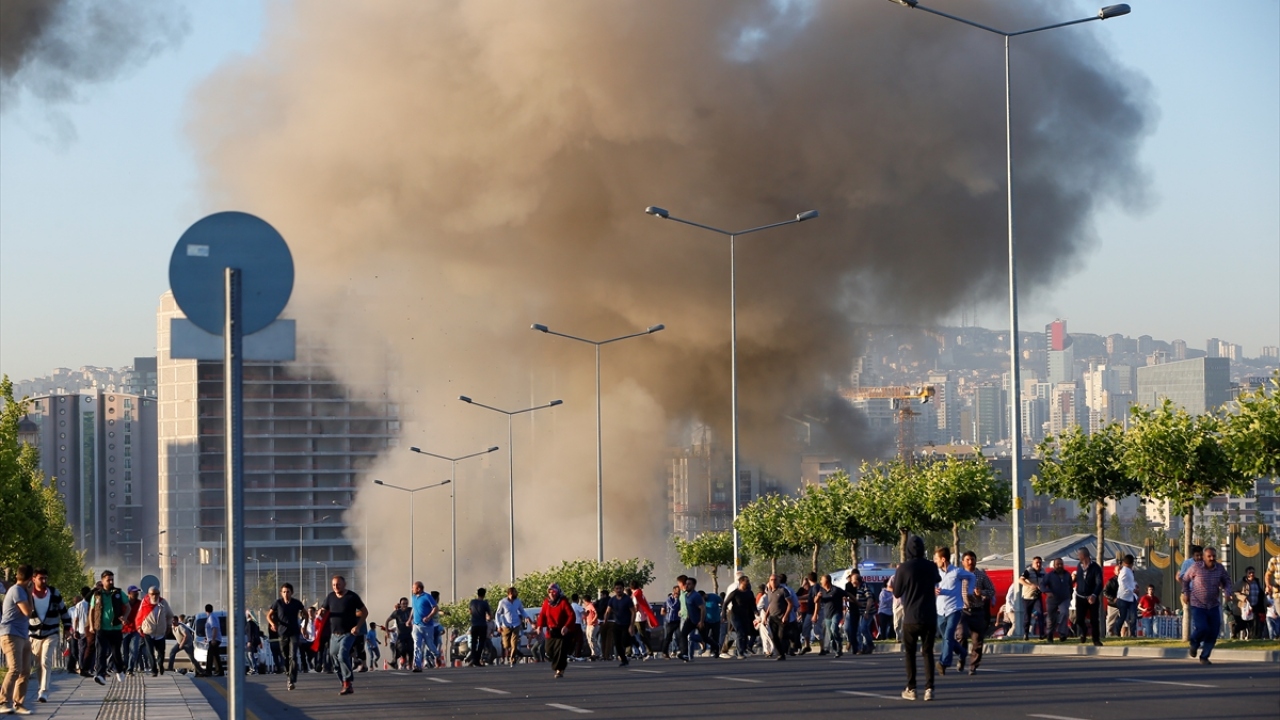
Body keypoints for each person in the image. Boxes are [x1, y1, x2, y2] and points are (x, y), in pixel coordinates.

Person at [894, 535, 942, 702]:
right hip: (929, 615)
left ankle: (911, 688)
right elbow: (937, 579)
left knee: (910, 654)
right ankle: (929, 689)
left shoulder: (903, 568)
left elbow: (897, 592)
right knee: (928, 653)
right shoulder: (931, 566)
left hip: (911, 617)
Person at [26, 567, 71, 703]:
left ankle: (44, 691)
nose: (44, 580)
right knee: (38, 663)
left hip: (51, 633)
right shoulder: (28, 594)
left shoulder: (54, 593)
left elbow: (63, 611)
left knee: (46, 659)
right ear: (33, 579)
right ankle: (41, 687)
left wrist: (67, 627)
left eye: (45, 578)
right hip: (33, 635)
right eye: (41, 578)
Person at [1182, 546, 1232, 664]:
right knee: (1203, 628)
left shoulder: (1219, 568)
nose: (1212, 558)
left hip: (1213, 605)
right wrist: (1185, 593)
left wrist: (1228, 592)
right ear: (1204, 558)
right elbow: (1185, 579)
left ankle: (1204, 656)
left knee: (1214, 631)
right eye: (1209, 556)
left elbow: (1227, 580)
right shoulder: (1196, 567)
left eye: (1213, 556)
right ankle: (1194, 643)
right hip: (1198, 604)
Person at [322, 575, 368, 695]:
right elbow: (323, 610)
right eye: (333, 585)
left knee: (342, 655)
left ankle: (348, 682)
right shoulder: (330, 597)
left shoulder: (352, 597)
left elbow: (365, 612)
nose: (336, 587)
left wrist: (357, 627)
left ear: (344, 584)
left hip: (348, 633)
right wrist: (320, 612)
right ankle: (344, 683)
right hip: (334, 634)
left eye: (338, 584)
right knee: (334, 659)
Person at [1, 565, 35, 715]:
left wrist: (29, 592)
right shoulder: (16, 590)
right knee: (15, 669)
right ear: (30, 579)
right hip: (11, 634)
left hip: (22, 635)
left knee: (25, 671)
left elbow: (30, 611)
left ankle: (19, 703)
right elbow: (28, 612)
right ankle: (3, 701)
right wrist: (29, 592)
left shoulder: (23, 591)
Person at [934, 546, 973, 674]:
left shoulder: (956, 572)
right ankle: (962, 653)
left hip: (954, 609)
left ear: (943, 559)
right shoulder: (936, 573)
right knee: (947, 638)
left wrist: (970, 590)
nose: (935, 561)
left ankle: (943, 663)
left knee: (948, 636)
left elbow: (971, 576)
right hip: (940, 610)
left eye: (937, 559)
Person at [90, 570, 129, 684]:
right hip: (101, 628)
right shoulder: (97, 595)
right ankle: (100, 674)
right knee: (101, 652)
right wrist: (92, 626)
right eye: (108, 580)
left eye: (112, 579)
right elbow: (91, 611)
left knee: (116, 652)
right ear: (102, 581)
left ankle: (120, 670)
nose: (111, 582)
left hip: (115, 628)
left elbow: (128, 606)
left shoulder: (118, 593)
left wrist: (124, 617)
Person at [959, 551, 995, 675]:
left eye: (972, 559)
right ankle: (961, 657)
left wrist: (982, 593)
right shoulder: (957, 576)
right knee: (961, 635)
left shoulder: (981, 576)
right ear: (963, 562)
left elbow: (992, 590)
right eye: (968, 560)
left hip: (977, 611)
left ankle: (973, 666)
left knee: (977, 640)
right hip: (962, 611)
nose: (970, 562)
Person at [268, 583, 306, 690]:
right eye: (284, 592)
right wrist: (273, 624)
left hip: (294, 632)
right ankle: (288, 674)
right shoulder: (278, 603)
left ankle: (291, 679)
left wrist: (304, 626)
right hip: (282, 633)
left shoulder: (296, 603)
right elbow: (268, 615)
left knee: (293, 656)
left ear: (292, 592)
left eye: (288, 592)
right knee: (285, 656)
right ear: (281, 593)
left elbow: (306, 613)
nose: (286, 594)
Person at [536, 584, 575, 679]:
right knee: (549, 651)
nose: (551, 594)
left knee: (560, 651)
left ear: (557, 592)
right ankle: (559, 664)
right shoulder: (546, 602)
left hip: (562, 631)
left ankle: (559, 670)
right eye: (549, 592)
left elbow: (571, 615)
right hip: (551, 631)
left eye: (553, 591)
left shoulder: (563, 602)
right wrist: (539, 626)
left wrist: (566, 626)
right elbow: (542, 615)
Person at [136, 586, 174, 677]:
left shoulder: (163, 602)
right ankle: (154, 670)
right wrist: (139, 626)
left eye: (157, 594)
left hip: (160, 632)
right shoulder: (144, 603)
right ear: (148, 595)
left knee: (161, 652)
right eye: (153, 594)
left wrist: (169, 625)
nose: (155, 596)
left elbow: (170, 615)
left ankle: (160, 665)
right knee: (150, 652)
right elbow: (139, 615)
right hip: (148, 631)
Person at [1073, 548, 1104, 646]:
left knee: (1094, 619)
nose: (1078, 557)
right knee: (1079, 619)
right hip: (1080, 597)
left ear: (1084, 555)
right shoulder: (1079, 566)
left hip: (1092, 597)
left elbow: (1099, 583)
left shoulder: (1095, 567)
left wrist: (1094, 595)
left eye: (1079, 555)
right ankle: (1084, 631)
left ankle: (1096, 639)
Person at [722, 575, 756, 659]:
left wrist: (756, 612)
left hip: (745, 615)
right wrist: (724, 615)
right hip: (735, 615)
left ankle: (742, 650)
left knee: (744, 633)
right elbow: (725, 603)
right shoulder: (735, 593)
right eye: (746, 581)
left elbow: (752, 604)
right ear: (741, 582)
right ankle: (740, 653)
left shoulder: (749, 593)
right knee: (740, 632)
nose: (748, 583)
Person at [812, 574, 845, 657]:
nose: (820, 582)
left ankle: (839, 643)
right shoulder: (821, 590)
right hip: (827, 615)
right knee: (830, 635)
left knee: (834, 628)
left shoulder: (836, 590)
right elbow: (815, 601)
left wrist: (856, 602)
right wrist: (818, 597)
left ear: (826, 581)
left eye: (822, 580)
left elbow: (847, 594)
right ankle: (837, 650)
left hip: (836, 613)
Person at [1041, 558, 1073, 642]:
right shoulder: (1049, 575)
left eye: (1061, 564)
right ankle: (1049, 634)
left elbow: (1070, 585)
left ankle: (1062, 633)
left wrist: (1070, 595)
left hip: (1064, 598)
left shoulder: (1067, 574)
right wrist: (1047, 592)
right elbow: (1042, 585)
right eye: (1057, 564)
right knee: (1051, 618)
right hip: (1052, 599)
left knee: (1064, 613)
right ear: (1054, 565)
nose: (1059, 566)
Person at [603, 582, 634, 666]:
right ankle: (624, 660)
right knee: (617, 643)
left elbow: (633, 612)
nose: (619, 590)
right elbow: (608, 611)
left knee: (624, 641)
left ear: (623, 589)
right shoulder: (612, 600)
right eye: (617, 588)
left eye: (620, 588)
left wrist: (631, 625)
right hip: (617, 624)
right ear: (614, 590)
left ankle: (632, 641)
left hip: (626, 624)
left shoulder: (627, 599)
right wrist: (605, 619)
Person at [763, 575, 792, 661]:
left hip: (782, 617)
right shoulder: (769, 592)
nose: (773, 581)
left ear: (779, 581)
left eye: (775, 580)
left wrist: (786, 616)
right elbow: (770, 605)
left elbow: (790, 604)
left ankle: (784, 651)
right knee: (773, 637)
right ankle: (780, 654)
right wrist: (765, 616)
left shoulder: (783, 591)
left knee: (781, 637)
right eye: (771, 580)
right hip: (773, 617)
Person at [676, 577, 704, 662]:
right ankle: (686, 654)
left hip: (690, 617)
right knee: (683, 636)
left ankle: (689, 654)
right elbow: (683, 604)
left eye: (679, 583)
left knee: (690, 637)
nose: (678, 585)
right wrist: (680, 610)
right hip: (683, 617)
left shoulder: (690, 594)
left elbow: (696, 606)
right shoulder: (682, 593)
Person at [496, 587, 525, 667]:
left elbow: (522, 611)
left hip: (516, 625)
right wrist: (498, 625)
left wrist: (527, 617)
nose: (515, 595)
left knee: (514, 645)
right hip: (506, 626)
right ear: (509, 594)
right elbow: (497, 614)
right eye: (513, 593)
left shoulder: (518, 601)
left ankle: (512, 660)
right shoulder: (502, 602)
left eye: (516, 593)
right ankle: (509, 652)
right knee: (506, 645)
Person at [1018, 556, 1046, 639]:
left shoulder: (1043, 572)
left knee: (1040, 614)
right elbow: (1020, 580)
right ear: (1032, 563)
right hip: (1027, 597)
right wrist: (1030, 585)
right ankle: (1026, 633)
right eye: (1036, 563)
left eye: (1040, 563)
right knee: (1027, 616)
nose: (1038, 564)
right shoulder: (1028, 571)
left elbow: (1046, 581)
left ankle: (1042, 634)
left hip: (1037, 596)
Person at [466, 588, 492, 667]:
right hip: (482, 625)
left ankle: (474, 658)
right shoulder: (485, 603)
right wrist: (489, 618)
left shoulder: (472, 602)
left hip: (474, 625)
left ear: (477, 594)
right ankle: (476, 659)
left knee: (473, 643)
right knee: (481, 643)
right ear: (484, 594)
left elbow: (470, 611)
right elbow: (490, 615)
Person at [1237, 567, 1265, 640]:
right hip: (1245, 606)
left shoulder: (1257, 582)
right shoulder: (1242, 582)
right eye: (1250, 573)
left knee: (1256, 622)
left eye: (1253, 572)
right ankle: (1246, 636)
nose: (1252, 574)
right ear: (1246, 574)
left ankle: (1255, 637)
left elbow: (1261, 593)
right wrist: (1243, 598)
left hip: (1256, 606)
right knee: (1246, 622)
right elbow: (1236, 592)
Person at [68, 587, 91, 676]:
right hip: (81, 631)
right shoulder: (79, 606)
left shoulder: (89, 604)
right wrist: (74, 630)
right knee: (80, 650)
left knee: (86, 650)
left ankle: (86, 667)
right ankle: (82, 667)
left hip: (86, 630)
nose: (75, 602)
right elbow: (75, 619)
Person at [1115, 554, 1138, 637]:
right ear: (1131, 563)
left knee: (1133, 616)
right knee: (1123, 616)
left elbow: (1130, 582)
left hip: (1131, 597)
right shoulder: (1124, 571)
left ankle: (1132, 633)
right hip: (1123, 597)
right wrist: (1132, 589)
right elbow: (1122, 583)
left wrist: (1135, 585)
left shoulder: (1129, 571)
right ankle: (1117, 632)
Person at [202, 604, 224, 676]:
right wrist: (207, 638)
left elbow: (214, 628)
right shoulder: (212, 616)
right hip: (213, 639)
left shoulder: (211, 617)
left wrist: (213, 639)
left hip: (214, 639)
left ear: (206, 610)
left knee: (210, 655)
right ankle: (220, 671)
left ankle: (208, 671)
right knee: (215, 655)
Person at [661, 583, 681, 658]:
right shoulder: (669, 599)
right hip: (671, 621)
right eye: (677, 591)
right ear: (674, 592)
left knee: (680, 636)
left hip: (678, 620)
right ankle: (665, 652)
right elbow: (673, 607)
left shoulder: (681, 598)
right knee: (669, 637)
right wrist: (676, 599)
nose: (678, 593)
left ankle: (681, 651)